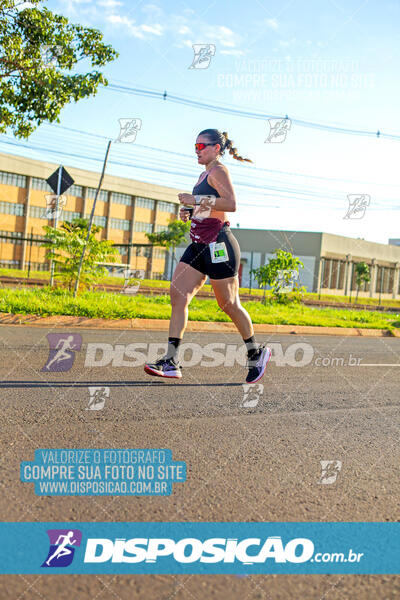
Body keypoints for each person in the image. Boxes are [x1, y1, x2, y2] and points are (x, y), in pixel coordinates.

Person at [144, 129, 271, 382]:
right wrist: (192, 212)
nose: (197, 150)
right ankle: (171, 361)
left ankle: (255, 353)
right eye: (195, 146)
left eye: (201, 145)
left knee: (228, 304)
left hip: (218, 243)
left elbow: (230, 204)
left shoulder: (219, 171)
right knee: (178, 295)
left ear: (216, 148)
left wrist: (195, 198)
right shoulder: (204, 174)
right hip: (197, 244)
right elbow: (211, 207)